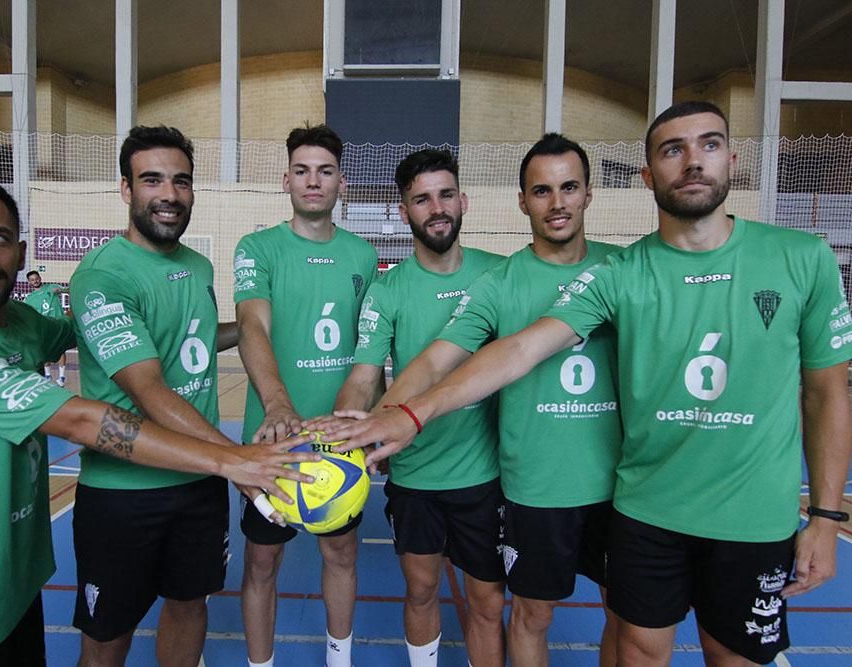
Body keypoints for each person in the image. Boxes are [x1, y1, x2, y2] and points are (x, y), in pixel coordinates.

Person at [326, 101, 852, 666]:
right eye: (674, 150)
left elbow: (827, 390)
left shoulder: (784, 258)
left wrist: (824, 517)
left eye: (710, 145)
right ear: (522, 201)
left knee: (677, 637)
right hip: (606, 502)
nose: (693, 162)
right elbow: (508, 351)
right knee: (583, 630)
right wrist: (403, 412)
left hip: (659, 500)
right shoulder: (603, 278)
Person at [0, 170, 317, 667]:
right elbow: (83, 422)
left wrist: (230, 326)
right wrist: (231, 461)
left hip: (5, 597)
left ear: (21, 251)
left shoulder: (23, 326)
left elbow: (107, 332)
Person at [67, 125, 252, 666]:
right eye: (152, 180)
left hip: (196, 485)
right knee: (107, 637)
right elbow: (147, 388)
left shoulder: (197, 266)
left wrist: (252, 326)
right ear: (126, 190)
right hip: (125, 490)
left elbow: (190, 342)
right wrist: (235, 459)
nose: (169, 194)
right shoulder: (104, 274)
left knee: (190, 603)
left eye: (181, 181)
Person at [324, 148, 507, 666]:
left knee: (488, 601)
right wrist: (344, 434)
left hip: (486, 474)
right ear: (404, 213)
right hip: (417, 476)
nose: (437, 208)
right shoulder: (387, 290)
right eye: (422, 200)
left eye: (446, 194)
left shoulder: (503, 274)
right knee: (421, 589)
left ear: (464, 201)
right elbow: (362, 379)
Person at [233, 124, 379, 667]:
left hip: (339, 444)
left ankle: (339, 660)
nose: (312, 181)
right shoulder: (258, 248)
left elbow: (371, 349)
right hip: (274, 441)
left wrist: (376, 424)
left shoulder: (363, 256)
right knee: (261, 564)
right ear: (286, 179)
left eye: (324, 170)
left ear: (341, 180)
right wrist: (276, 404)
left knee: (341, 554)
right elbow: (253, 326)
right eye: (301, 170)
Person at [24, 270, 69, 385]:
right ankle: (48, 375)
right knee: (44, 351)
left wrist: (61, 290)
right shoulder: (30, 299)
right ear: (29, 282)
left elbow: (66, 289)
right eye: (32, 280)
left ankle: (62, 377)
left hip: (58, 324)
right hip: (43, 327)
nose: (35, 281)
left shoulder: (51, 287)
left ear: (40, 278)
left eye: (36, 278)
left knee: (61, 350)